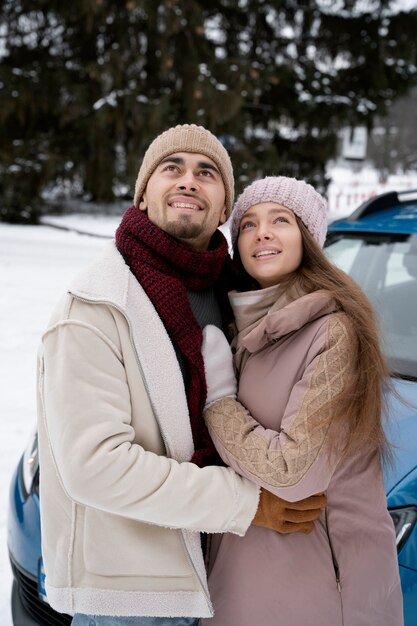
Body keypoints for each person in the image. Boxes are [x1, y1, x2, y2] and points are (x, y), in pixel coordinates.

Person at [36, 126, 327, 626]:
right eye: (171, 168)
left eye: (207, 173)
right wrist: (246, 504)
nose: (189, 180)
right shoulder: (95, 306)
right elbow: (95, 466)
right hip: (132, 598)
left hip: (216, 576)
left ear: (222, 211)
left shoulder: (230, 295)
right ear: (144, 198)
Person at [200, 176, 403, 626]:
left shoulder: (333, 333)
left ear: (308, 238)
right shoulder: (241, 328)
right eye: (248, 224)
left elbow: (293, 473)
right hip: (242, 576)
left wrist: (218, 402)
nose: (262, 232)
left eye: (281, 220)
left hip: (319, 588)